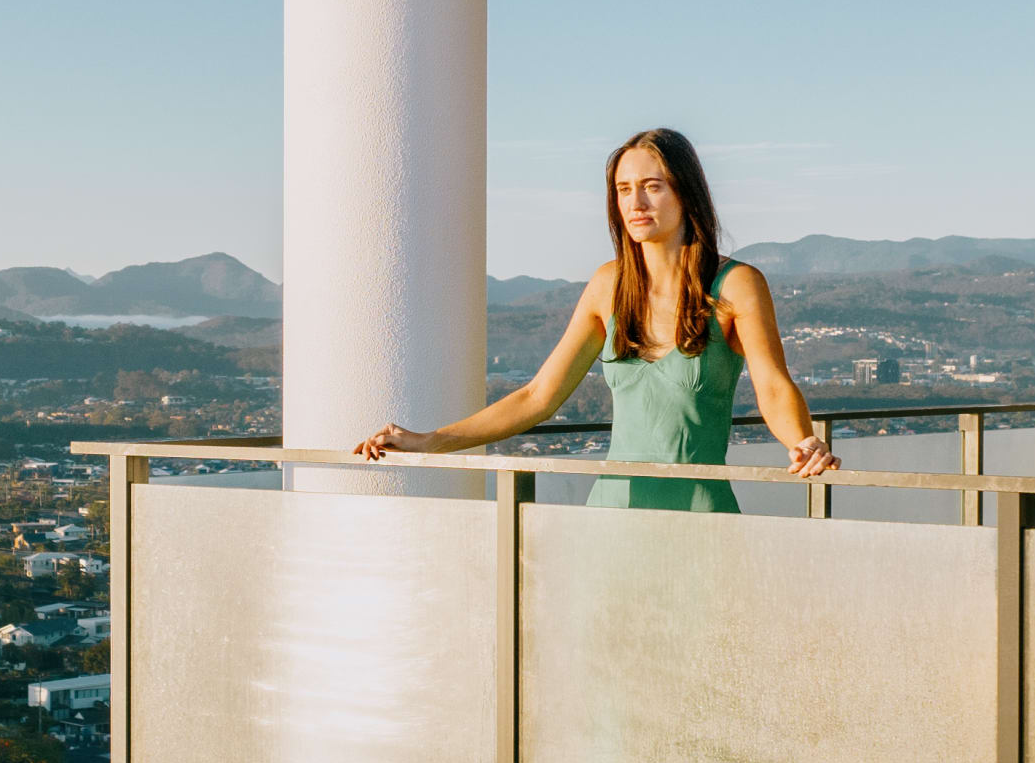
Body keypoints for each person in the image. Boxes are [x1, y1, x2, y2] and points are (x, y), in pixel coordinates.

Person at [354, 127, 838, 506]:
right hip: (611, 513)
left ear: (686, 194)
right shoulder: (608, 285)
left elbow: (773, 386)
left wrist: (803, 441)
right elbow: (536, 396)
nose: (636, 203)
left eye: (653, 186)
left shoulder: (734, 285)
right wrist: (432, 441)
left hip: (698, 513)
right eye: (624, 189)